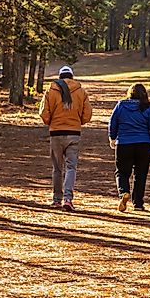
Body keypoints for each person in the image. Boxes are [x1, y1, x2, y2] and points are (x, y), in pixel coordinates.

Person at [39, 65, 93, 211]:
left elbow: (44, 113)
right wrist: (78, 122)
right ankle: (68, 199)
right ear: (72, 77)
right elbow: (87, 114)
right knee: (71, 167)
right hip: (73, 133)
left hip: (56, 133)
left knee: (57, 168)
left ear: (60, 77)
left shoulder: (51, 91)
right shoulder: (81, 91)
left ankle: (57, 199)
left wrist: (51, 122)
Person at [108, 83, 150, 212]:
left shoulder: (120, 106)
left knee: (122, 172)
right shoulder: (147, 108)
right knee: (141, 174)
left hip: (124, 144)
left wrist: (113, 137)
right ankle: (138, 203)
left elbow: (113, 122)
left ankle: (124, 192)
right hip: (143, 145)